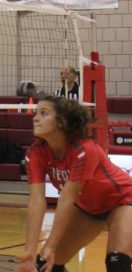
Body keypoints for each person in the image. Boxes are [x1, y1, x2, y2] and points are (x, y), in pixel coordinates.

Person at [16, 96, 132, 272]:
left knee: (117, 262)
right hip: (89, 208)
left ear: (61, 121)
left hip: (123, 201)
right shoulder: (35, 154)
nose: (35, 117)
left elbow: (67, 199)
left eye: (43, 113)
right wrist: (30, 252)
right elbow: (37, 202)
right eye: (36, 112)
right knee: (46, 265)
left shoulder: (83, 150)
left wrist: (51, 246)